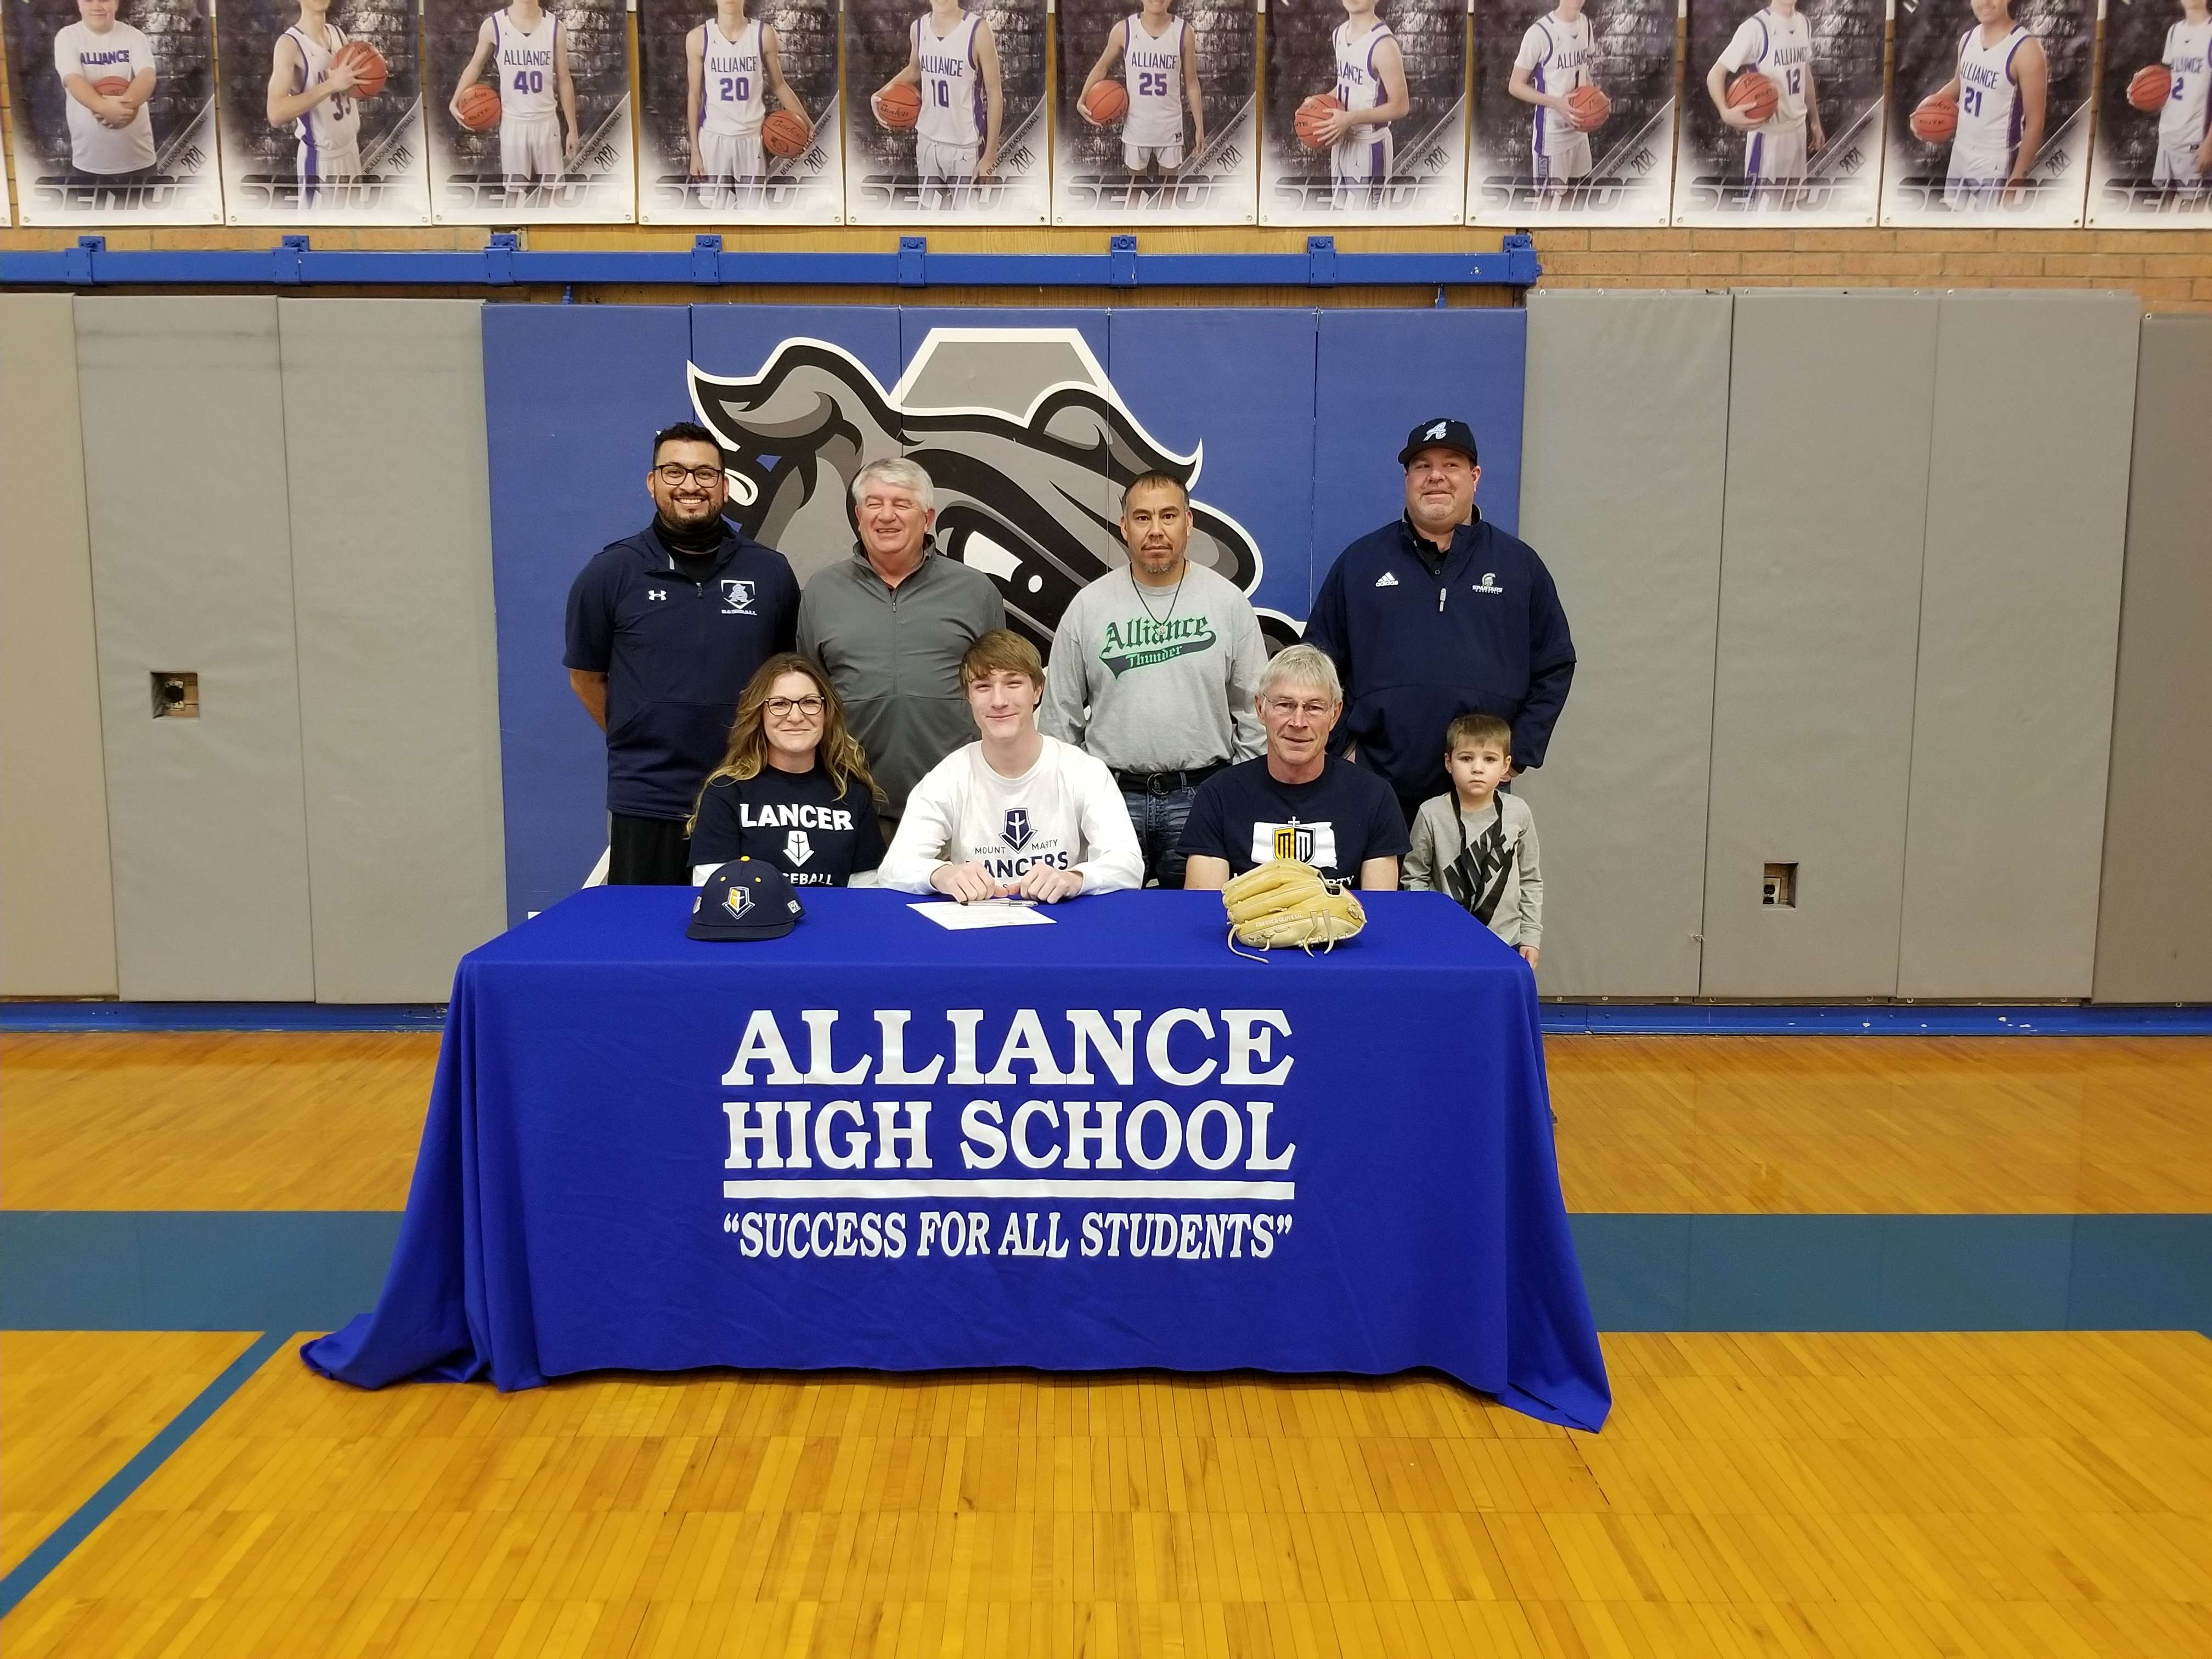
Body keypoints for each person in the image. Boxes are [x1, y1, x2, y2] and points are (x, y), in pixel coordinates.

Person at [1303, 416, 1575, 827]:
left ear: (1475, 476)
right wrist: (1341, 749)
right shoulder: (1361, 563)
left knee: (1468, 896)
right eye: (1422, 466)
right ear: (1407, 478)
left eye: (1451, 465)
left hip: (1477, 792)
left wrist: (1518, 753)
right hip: (1376, 789)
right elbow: (1315, 664)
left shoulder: (1519, 567)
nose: (1436, 478)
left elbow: (1554, 664)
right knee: (1377, 894)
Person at [565, 421, 799, 885]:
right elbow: (586, 677)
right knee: (645, 942)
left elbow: (787, 676)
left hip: (749, 790)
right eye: (674, 472)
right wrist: (637, 729)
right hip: (647, 797)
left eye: (705, 474)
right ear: (652, 483)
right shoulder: (610, 573)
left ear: (725, 487)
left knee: (749, 934)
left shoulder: (770, 573)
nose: (690, 485)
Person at [1040, 472, 1265, 888]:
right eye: (1142, 518)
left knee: (1195, 931)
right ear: (1124, 527)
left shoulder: (1227, 602)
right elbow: (1059, 719)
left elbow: (1256, 711)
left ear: (1189, 523)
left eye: (1168, 516)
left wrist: (1238, 792)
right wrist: (1077, 799)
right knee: (1108, 930)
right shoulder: (1089, 606)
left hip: (1202, 796)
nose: (1156, 530)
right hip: (1111, 797)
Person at [797, 457, 1006, 832]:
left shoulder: (976, 592)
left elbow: (1001, 690)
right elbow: (810, 692)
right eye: (874, 504)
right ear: (859, 515)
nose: (886, 516)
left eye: (902, 504)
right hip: (848, 801)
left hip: (960, 802)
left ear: (927, 517)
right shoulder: (822, 591)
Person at [879, 630, 1143, 902]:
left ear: (1037, 691)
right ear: (968, 697)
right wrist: (941, 875)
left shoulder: (1084, 772)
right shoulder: (948, 777)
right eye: (982, 687)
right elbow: (894, 868)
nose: (999, 701)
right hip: (977, 927)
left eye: (1013, 683)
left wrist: (1074, 879)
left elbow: (1129, 865)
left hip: (1062, 923)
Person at [1180, 644, 1407, 891]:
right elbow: (1206, 909)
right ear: (1260, 709)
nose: (1298, 722)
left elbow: (1378, 912)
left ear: (1335, 715)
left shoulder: (1375, 797)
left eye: (1314, 707)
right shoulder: (1218, 796)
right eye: (1285, 705)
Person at [689, 654, 884, 887]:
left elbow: (867, 893)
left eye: (810, 702)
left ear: (827, 713)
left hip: (834, 922)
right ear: (759, 714)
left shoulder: (852, 794)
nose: (795, 716)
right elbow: (713, 890)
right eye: (780, 704)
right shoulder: (726, 792)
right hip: (753, 922)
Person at [1403, 712, 1542, 966]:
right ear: (1449, 762)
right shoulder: (1431, 813)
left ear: (1505, 766)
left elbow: (1530, 879)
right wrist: (1428, 930)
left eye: (1490, 759)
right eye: (1466, 758)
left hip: (1507, 940)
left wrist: (1531, 937)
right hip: (1445, 942)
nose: (1477, 768)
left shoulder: (1518, 812)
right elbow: (1414, 877)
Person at [874, 0, 1002, 208]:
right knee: (930, 215)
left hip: (964, 147)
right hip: (927, 140)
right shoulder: (919, 28)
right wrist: (881, 94)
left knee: (967, 220)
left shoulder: (978, 30)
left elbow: (995, 94)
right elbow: (915, 69)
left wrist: (990, 155)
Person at [685, 0, 805, 204]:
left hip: (751, 138)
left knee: (753, 213)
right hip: (714, 138)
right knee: (714, 213)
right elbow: (694, 96)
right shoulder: (698, 38)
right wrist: (695, 152)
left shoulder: (763, 34)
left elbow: (779, 86)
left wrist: (807, 127)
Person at [1707, 0, 1825, 205]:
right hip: (1769, 139)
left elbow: (1804, 74)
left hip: (1798, 132)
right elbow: (1715, 75)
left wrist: (1815, 121)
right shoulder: (1755, 28)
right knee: (1762, 217)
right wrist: (1726, 113)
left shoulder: (1804, 23)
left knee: (1791, 209)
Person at [1931, 0, 2046, 207]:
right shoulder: (1968, 39)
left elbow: (2035, 122)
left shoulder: (2026, 49)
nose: (1985, 3)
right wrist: (1927, 108)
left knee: (1987, 231)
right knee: (1952, 224)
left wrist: (2016, 182)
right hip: (1960, 149)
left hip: (1996, 159)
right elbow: (1959, 83)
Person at [451, 0, 581, 181]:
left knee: (554, 189)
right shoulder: (493, 25)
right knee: (514, 191)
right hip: (513, 122)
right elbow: (475, 66)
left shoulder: (555, 28)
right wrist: (455, 99)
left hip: (547, 121)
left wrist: (573, 130)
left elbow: (564, 79)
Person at [1078, 0, 1205, 183]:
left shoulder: (1184, 32)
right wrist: (1082, 99)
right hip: (1136, 126)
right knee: (1135, 189)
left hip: (1170, 127)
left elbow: (1192, 83)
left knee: (1169, 190)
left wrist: (1200, 126)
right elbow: (1102, 67)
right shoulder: (1124, 30)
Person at [266, 0, 365, 205]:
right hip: (321, 161)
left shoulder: (338, 34)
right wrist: (331, 85)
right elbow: (275, 114)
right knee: (321, 235)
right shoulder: (289, 45)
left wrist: (370, 76)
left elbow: (347, 93)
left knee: (353, 233)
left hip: (351, 152)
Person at [1314, 0, 1408, 208]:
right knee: (1340, 213)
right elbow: (1347, 86)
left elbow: (1401, 106)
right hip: (1342, 140)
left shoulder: (1383, 44)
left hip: (1370, 144)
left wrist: (1350, 119)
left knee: (1368, 222)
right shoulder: (1339, 34)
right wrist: (1317, 104)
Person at [53, 0, 156, 179]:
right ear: (78, 4)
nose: (97, 6)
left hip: (138, 157)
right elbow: (72, 79)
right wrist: (103, 106)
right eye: (88, 0)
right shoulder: (67, 37)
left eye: (104, 0)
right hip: (90, 160)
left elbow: (147, 76)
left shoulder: (134, 36)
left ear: (116, 3)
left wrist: (122, 110)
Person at [1508, 0, 1594, 201]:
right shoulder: (1539, 33)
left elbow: (1583, 71)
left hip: (1580, 132)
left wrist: (1596, 96)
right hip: (1552, 137)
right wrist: (1557, 103)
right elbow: (1515, 86)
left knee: (1577, 201)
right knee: (1547, 206)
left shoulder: (1586, 26)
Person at [2149, 0, 2211, 192]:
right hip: (2168, 136)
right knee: (2163, 206)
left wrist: (2210, 144)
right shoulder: (2175, 31)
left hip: (2196, 140)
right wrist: (2141, 91)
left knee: (2192, 212)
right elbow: (2168, 82)